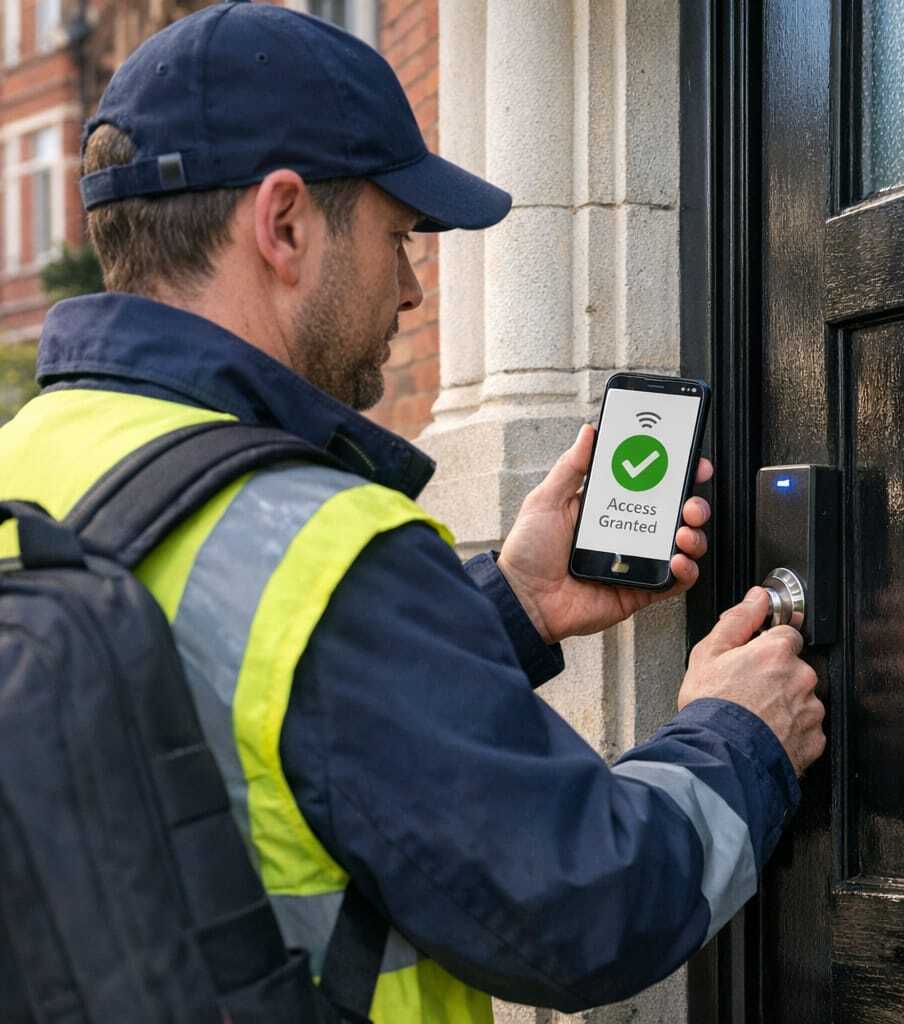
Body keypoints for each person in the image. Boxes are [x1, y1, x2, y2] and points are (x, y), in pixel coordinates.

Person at [0, 2, 825, 1019]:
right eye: (396, 236)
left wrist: (512, 601)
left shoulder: (29, 459)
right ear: (285, 222)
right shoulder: (325, 544)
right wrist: (738, 733)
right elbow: (582, 904)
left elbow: (223, 697)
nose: (408, 289)